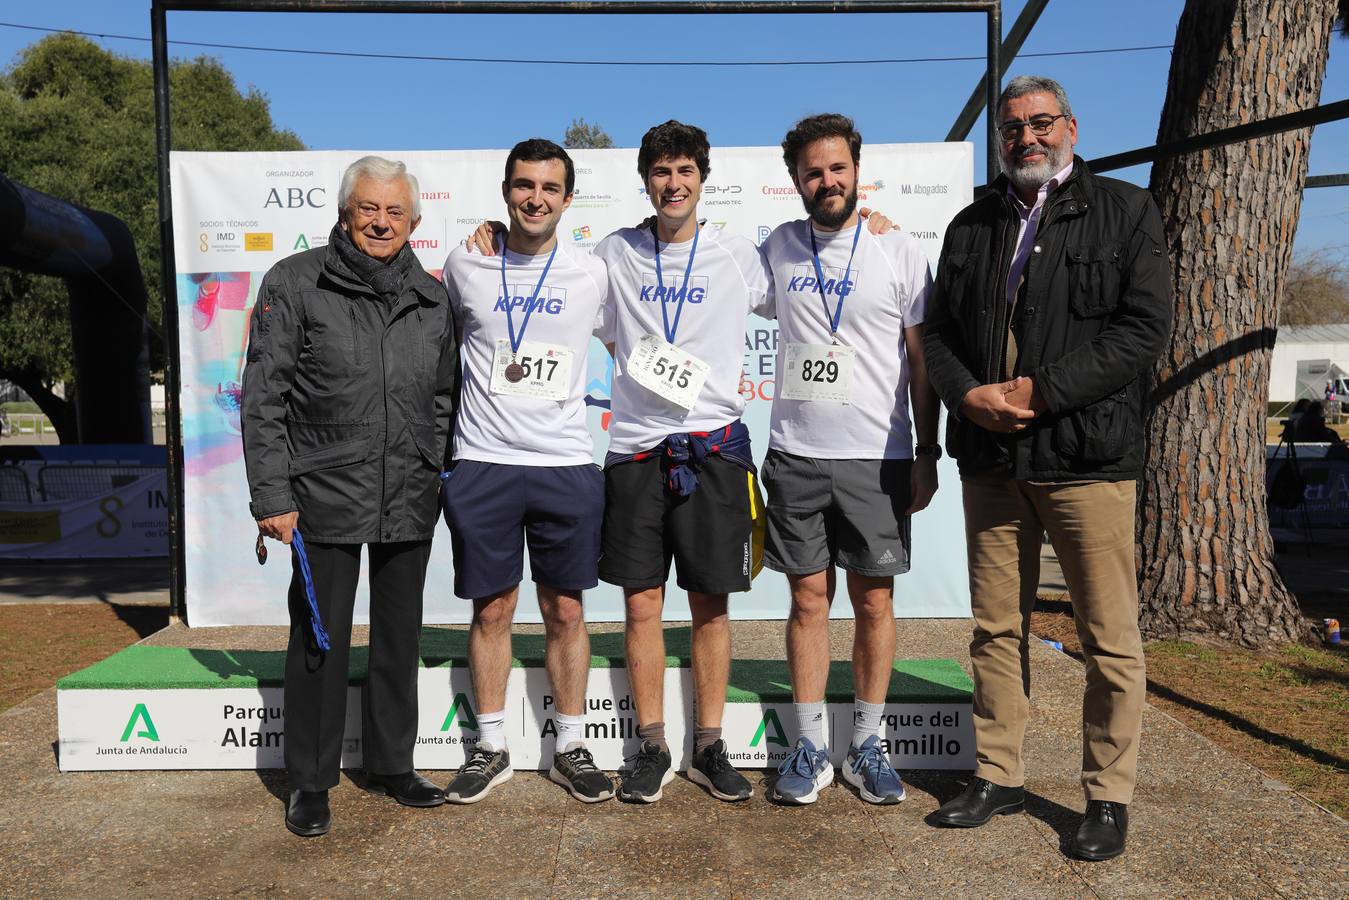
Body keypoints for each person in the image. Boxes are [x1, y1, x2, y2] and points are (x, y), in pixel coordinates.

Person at [922, 76, 1171, 861]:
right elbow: (935, 337)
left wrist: (1040, 391)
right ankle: (996, 776)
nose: (1025, 138)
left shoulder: (1124, 211)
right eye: (1011, 129)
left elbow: (1143, 329)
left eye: (1039, 123)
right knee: (996, 628)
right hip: (992, 461)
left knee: (1108, 638)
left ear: (1069, 125)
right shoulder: (969, 224)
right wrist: (967, 396)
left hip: (1086, 461)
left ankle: (1106, 796)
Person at [242, 156, 458, 837]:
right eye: (368, 208)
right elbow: (263, 397)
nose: (380, 222)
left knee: (399, 638)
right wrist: (272, 494)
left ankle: (394, 763)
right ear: (344, 212)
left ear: (414, 222)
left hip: (409, 490)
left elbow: (446, 398)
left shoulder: (431, 296)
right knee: (320, 638)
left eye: (394, 212)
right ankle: (309, 779)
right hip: (321, 491)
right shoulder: (295, 282)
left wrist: (440, 468)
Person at [757, 114, 939, 806]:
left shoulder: (897, 249)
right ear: (795, 180)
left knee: (872, 602)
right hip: (796, 456)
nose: (826, 181)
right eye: (812, 171)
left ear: (856, 170)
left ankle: (867, 742)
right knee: (806, 600)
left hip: (877, 457)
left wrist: (927, 450)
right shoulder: (777, 247)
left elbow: (921, 364)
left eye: (836, 168)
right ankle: (807, 744)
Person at [438, 139, 614, 805]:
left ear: (567, 199)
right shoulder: (466, 262)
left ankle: (569, 743)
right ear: (506, 191)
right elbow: (433, 348)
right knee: (492, 608)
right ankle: (489, 746)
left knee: (566, 609)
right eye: (522, 185)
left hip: (564, 463)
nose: (534, 198)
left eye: (548, 187)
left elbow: (636, 342)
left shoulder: (592, 273)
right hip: (483, 461)